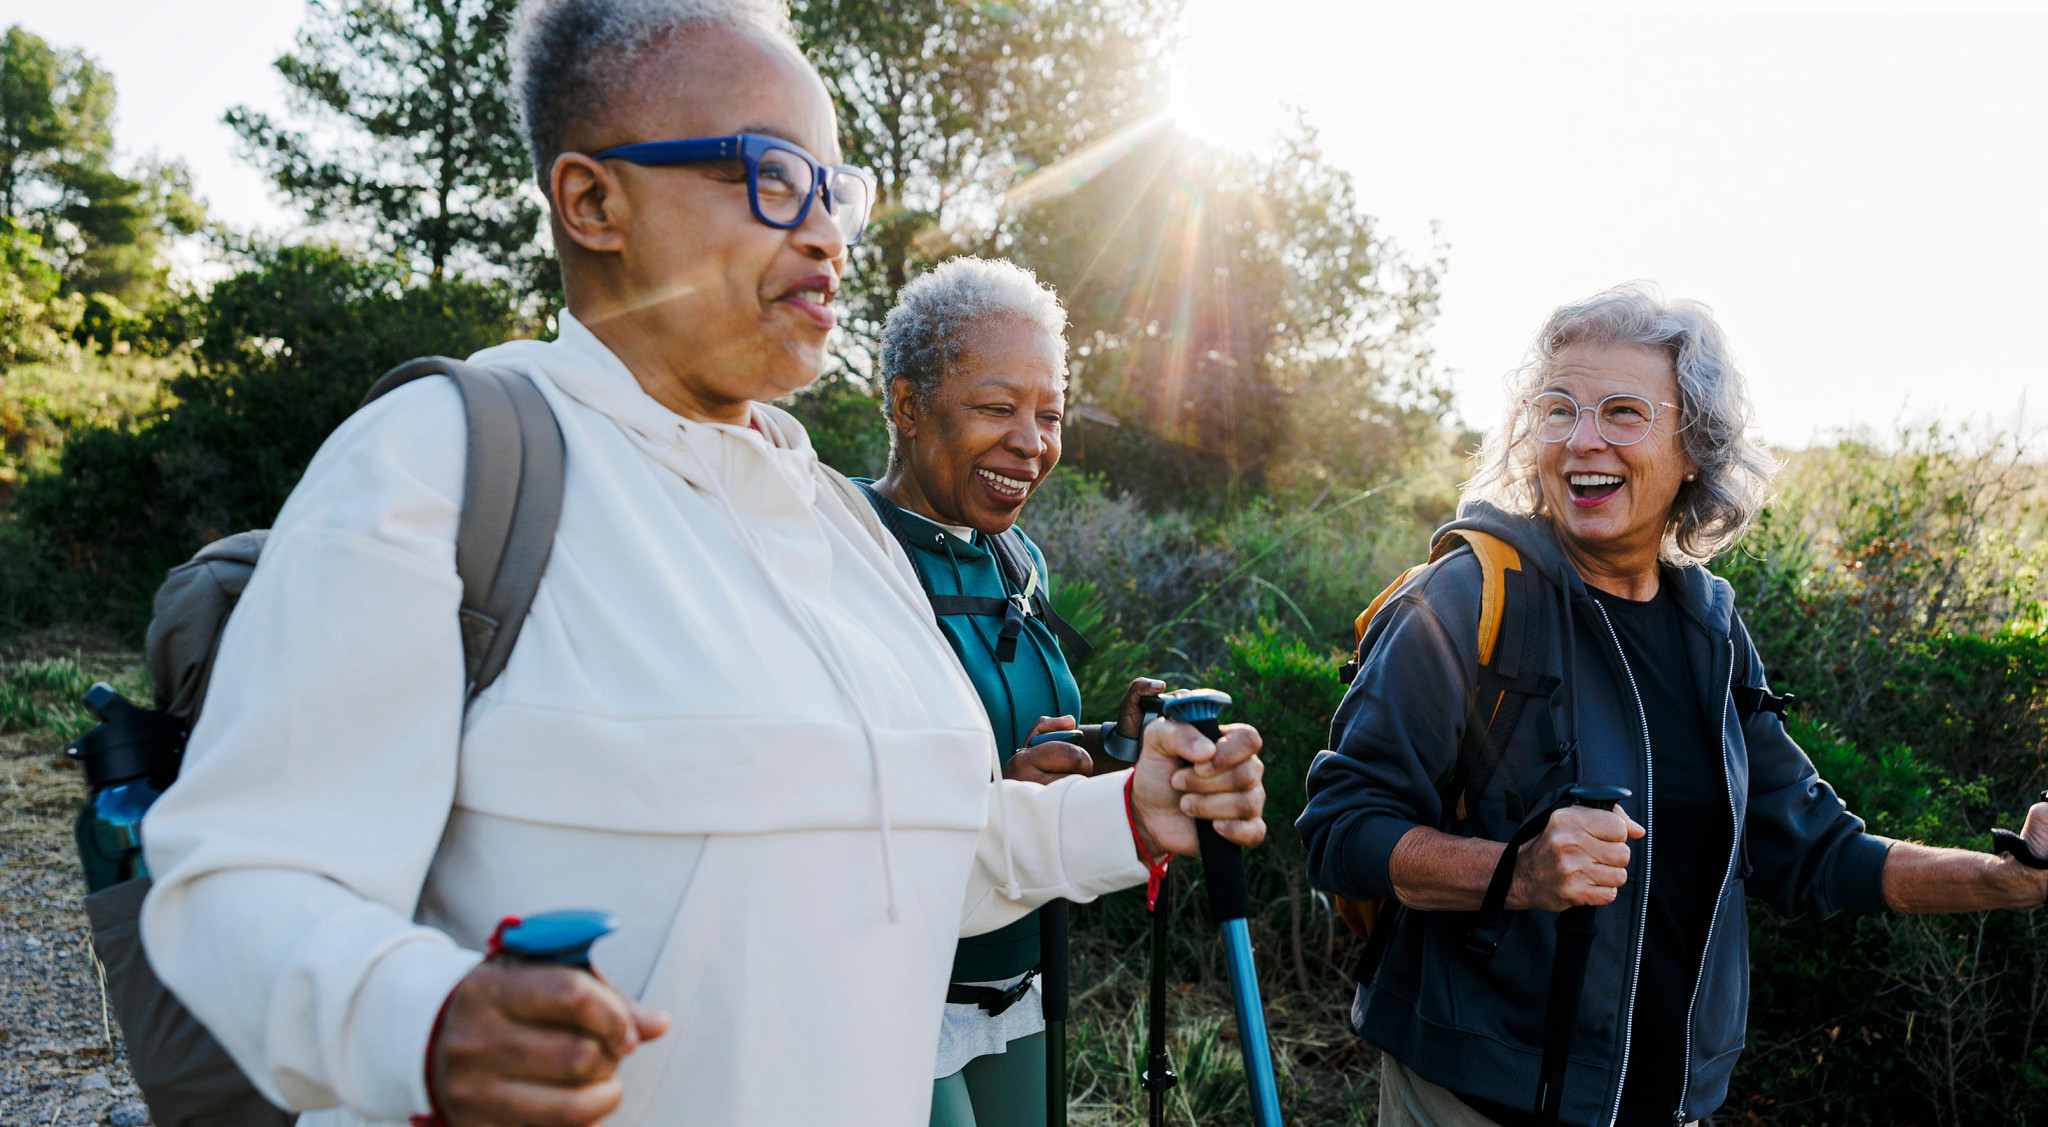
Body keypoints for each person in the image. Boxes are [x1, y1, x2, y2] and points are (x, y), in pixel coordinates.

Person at [136, 3, 1269, 1126]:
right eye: (770, 176)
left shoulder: (834, 523)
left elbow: (897, 851)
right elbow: (232, 881)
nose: (824, 232)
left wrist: (1127, 811)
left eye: (835, 191)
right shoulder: (442, 460)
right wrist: (417, 1018)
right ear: (592, 201)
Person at [1297, 283, 2048, 1127]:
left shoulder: (1711, 634)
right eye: (1557, 409)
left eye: (1623, 412)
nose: (1583, 441)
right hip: (1474, 1101)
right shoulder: (1468, 595)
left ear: (1695, 443)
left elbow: (1816, 852)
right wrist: (1516, 871)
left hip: (1669, 1106)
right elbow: (1340, 827)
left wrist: (2008, 877)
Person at [858, 256, 1167, 1127]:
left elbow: (1011, 735)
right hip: (901, 981)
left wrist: (1111, 743)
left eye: (1049, 414)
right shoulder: (845, 553)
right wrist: (1005, 795)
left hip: (1022, 965)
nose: (1032, 441)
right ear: (907, 403)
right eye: (998, 407)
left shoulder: (1016, 557)